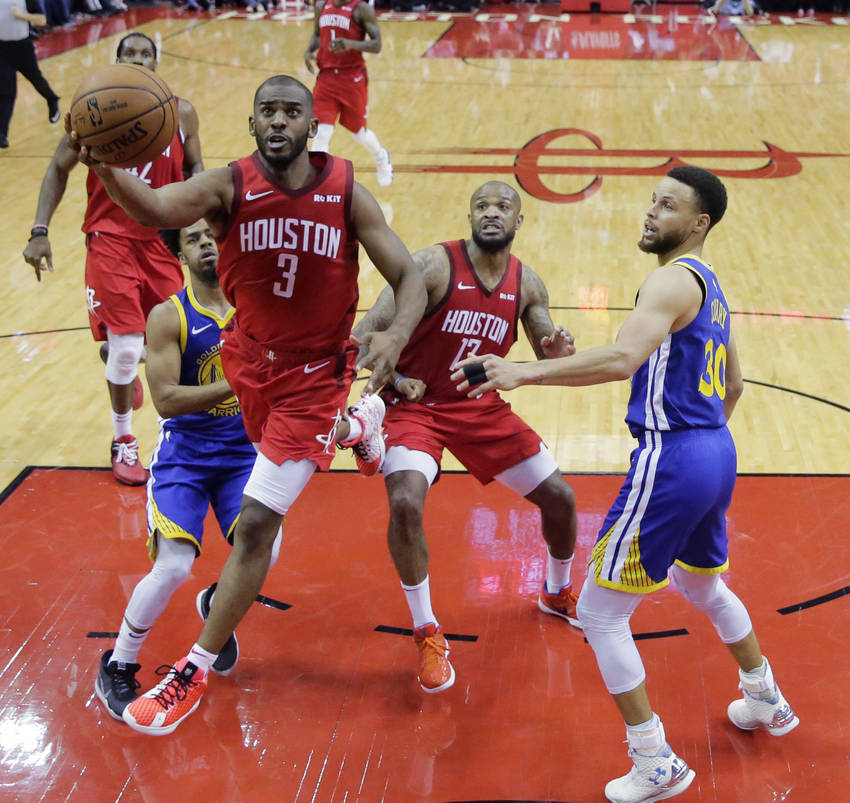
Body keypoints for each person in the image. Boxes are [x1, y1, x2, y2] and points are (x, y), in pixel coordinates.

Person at [73, 74, 427, 736]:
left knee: (259, 525)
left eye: (293, 110)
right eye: (268, 110)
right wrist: (105, 162)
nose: (280, 120)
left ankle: (192, 670)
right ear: (253, 120)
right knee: (270, 504)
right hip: (250, 367)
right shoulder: (229, 186)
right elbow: (153, 207)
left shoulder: (347, 189)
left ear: (308, 123)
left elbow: (408, 275)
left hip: (314, 376)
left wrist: (399, 332)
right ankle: (360, 423)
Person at [453, 167, 798, 803]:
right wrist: (702, 448)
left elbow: (620, 359)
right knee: (701, 583)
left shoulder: (670, 279)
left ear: (697, 225)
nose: (650, 212)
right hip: (716, 451)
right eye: (652, 201)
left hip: (674, 459)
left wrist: (519, 372)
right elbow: (736, 387)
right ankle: (766, 697)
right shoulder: (710, 285)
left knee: (598, 612)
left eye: (667, 206)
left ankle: (654, 760)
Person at [351, 180, 580, 694]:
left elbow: (547, 351)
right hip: (417, 408)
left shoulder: (527, 284)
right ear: (470, 215)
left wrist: (556, 347)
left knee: (561, 500)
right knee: (406, 504)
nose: (491, 213)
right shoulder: (433, 266)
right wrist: (391, 375)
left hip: (480, 410)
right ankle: (427, 632)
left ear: (519, 220)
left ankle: (557, 592)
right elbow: (364, 336)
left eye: (503, 207)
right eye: (481, 206)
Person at [94, 219, 284, 724]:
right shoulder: (168, 316)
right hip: (187, 455)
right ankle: (118, 663)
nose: (206, 244)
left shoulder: (256, 310)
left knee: (267, 544)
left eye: (212, 236)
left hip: (243, 453)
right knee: (173, 565)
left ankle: (218, 601)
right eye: (194, 239)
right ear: (180, 254)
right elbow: (168, 401)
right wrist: (238, 382)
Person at [23, 32, 203, 485]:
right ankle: (123, 439)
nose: (139, 60)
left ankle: (158, 398)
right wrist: (40, 231)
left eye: (147, 54)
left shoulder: (180, 113)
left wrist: (200, 225)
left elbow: (196, 170)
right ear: (117, 63)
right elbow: (57, 169)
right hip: (110, 239)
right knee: (125, 348)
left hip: (161, 242)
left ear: (158, 63)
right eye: (130, 55)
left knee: (182, 341)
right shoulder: (91, 114)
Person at [303, 0, 393, 188]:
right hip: (326, 77)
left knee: (359, 134)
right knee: (321, 131)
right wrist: (309, 50)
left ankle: (381, 156)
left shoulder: (361, 8)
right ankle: (317, 183)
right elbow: (317, 35)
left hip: (352, 78)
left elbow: (377, 45)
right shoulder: (321, 5)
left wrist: (350, 44)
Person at [0, 0, 58, 149]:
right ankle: (0, 133)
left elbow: (42, 19)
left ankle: (52, 99)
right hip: (1, 49)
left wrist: (21, 15)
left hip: (22, 48)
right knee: (5, 93)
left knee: (36, 80)